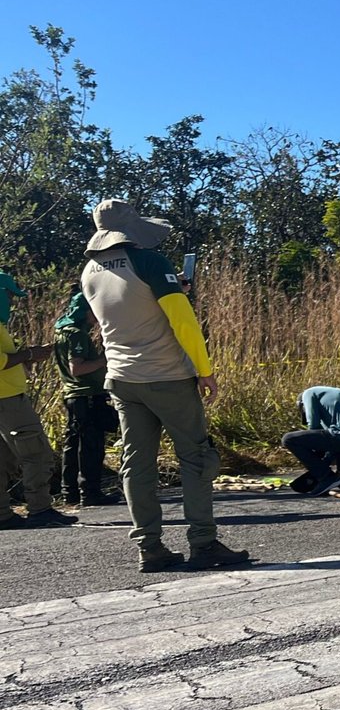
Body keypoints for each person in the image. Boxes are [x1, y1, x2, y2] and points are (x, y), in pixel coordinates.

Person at [80, 199, 248, 569]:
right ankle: (203, 543)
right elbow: (183, 323)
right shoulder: (151, 262)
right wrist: (205, 370)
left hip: (122, 379)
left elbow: (127, 310)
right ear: (130, 229)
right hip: (167, 375)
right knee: (197, 457)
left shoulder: (90, 270)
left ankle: (149, 548)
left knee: (136, 464)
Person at [0, 273, 77, 531]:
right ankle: (40, 509)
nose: (11, 302)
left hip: (6, 398)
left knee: (3, 458)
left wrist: (24, 357)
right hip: (7, 400)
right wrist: (30, 354)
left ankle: (3, 514)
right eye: (9, 296)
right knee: (36, 453)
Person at [53, 291, 116, 505]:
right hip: (86, 394)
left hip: (71, 394)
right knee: (91, 444)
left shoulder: (61, 331)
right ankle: (90, 492)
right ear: (86, 311)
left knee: (72, 443)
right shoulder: (77, 334)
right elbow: (77, 368)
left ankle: (69, 492)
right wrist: (103, 360)